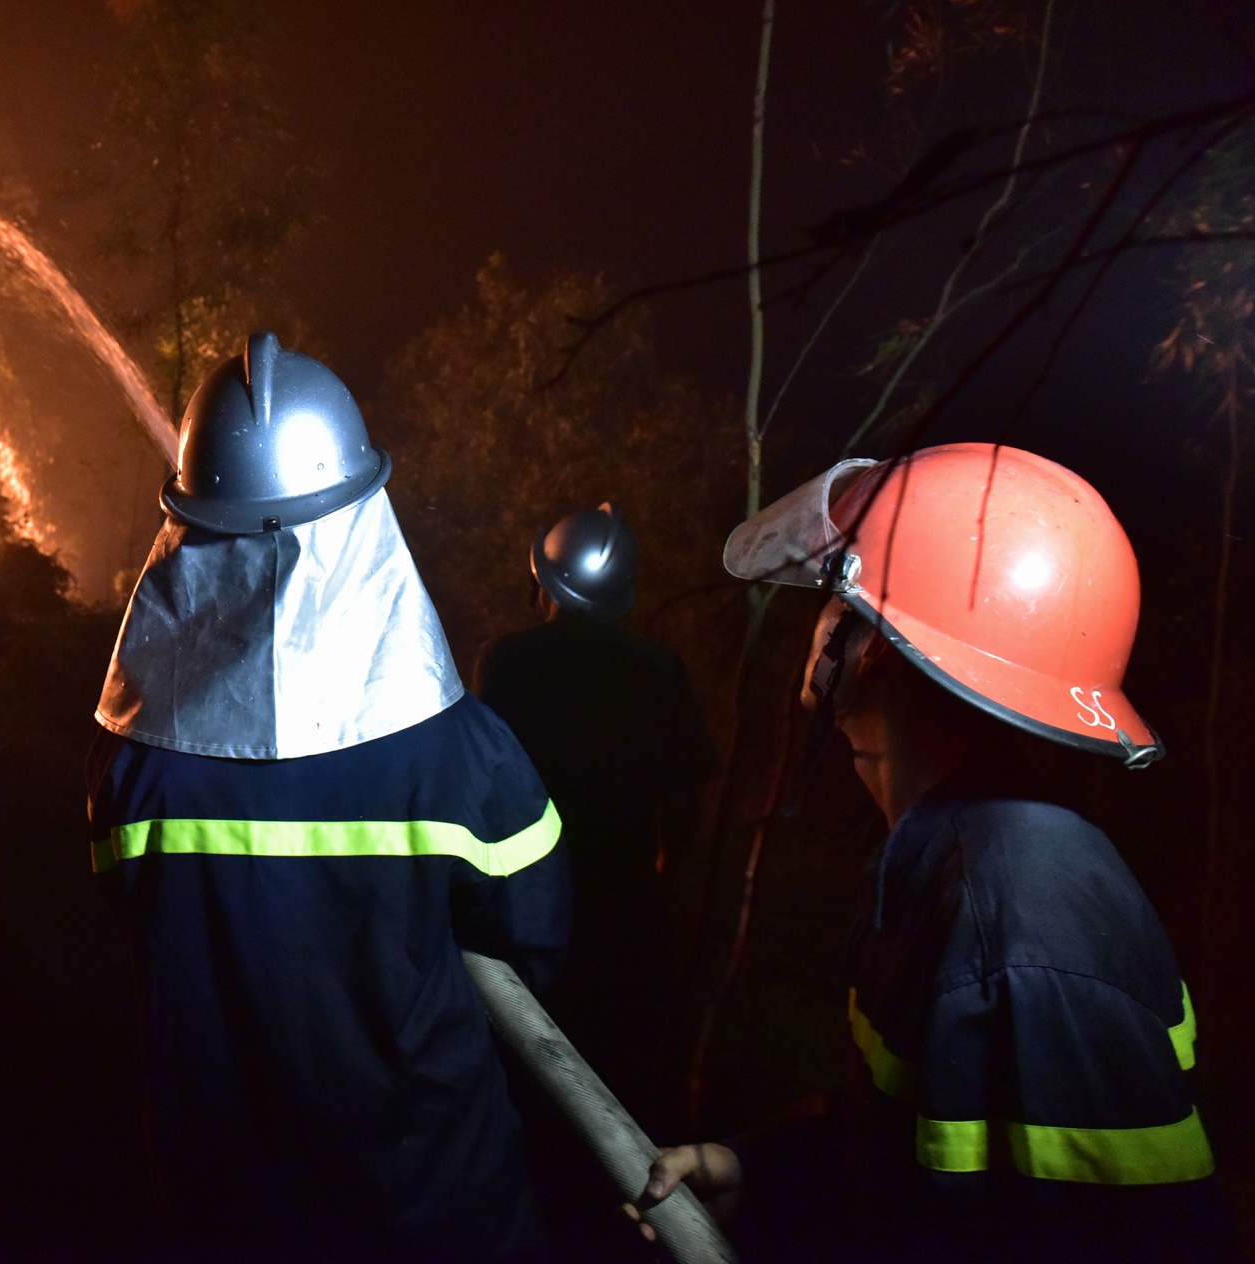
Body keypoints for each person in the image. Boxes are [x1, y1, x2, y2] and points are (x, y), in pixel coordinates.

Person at [641, 443, 1243, 1263]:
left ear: (871, 646)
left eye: (835, 597)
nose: (816, 622)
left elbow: (1116, 1238)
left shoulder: (1023, 923)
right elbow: (921, 1153)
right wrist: (763, 1174)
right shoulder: (951, 863)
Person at [87, 333, 570, 1263]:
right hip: (430, 1201)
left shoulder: (130, 767)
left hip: (222, 1201)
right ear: (361, 512)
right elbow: (533, 941)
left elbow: (133, 918)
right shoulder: (461, 757)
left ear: (190, 528)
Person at [471, 503, 716, 1124]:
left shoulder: (506, 661)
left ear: (544, 582)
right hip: (626, 908)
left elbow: (481, 786)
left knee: (528, 1081)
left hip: (526, 902)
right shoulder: (659, 670)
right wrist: (661, 871)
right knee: (620, 1081)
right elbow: (684, 797)